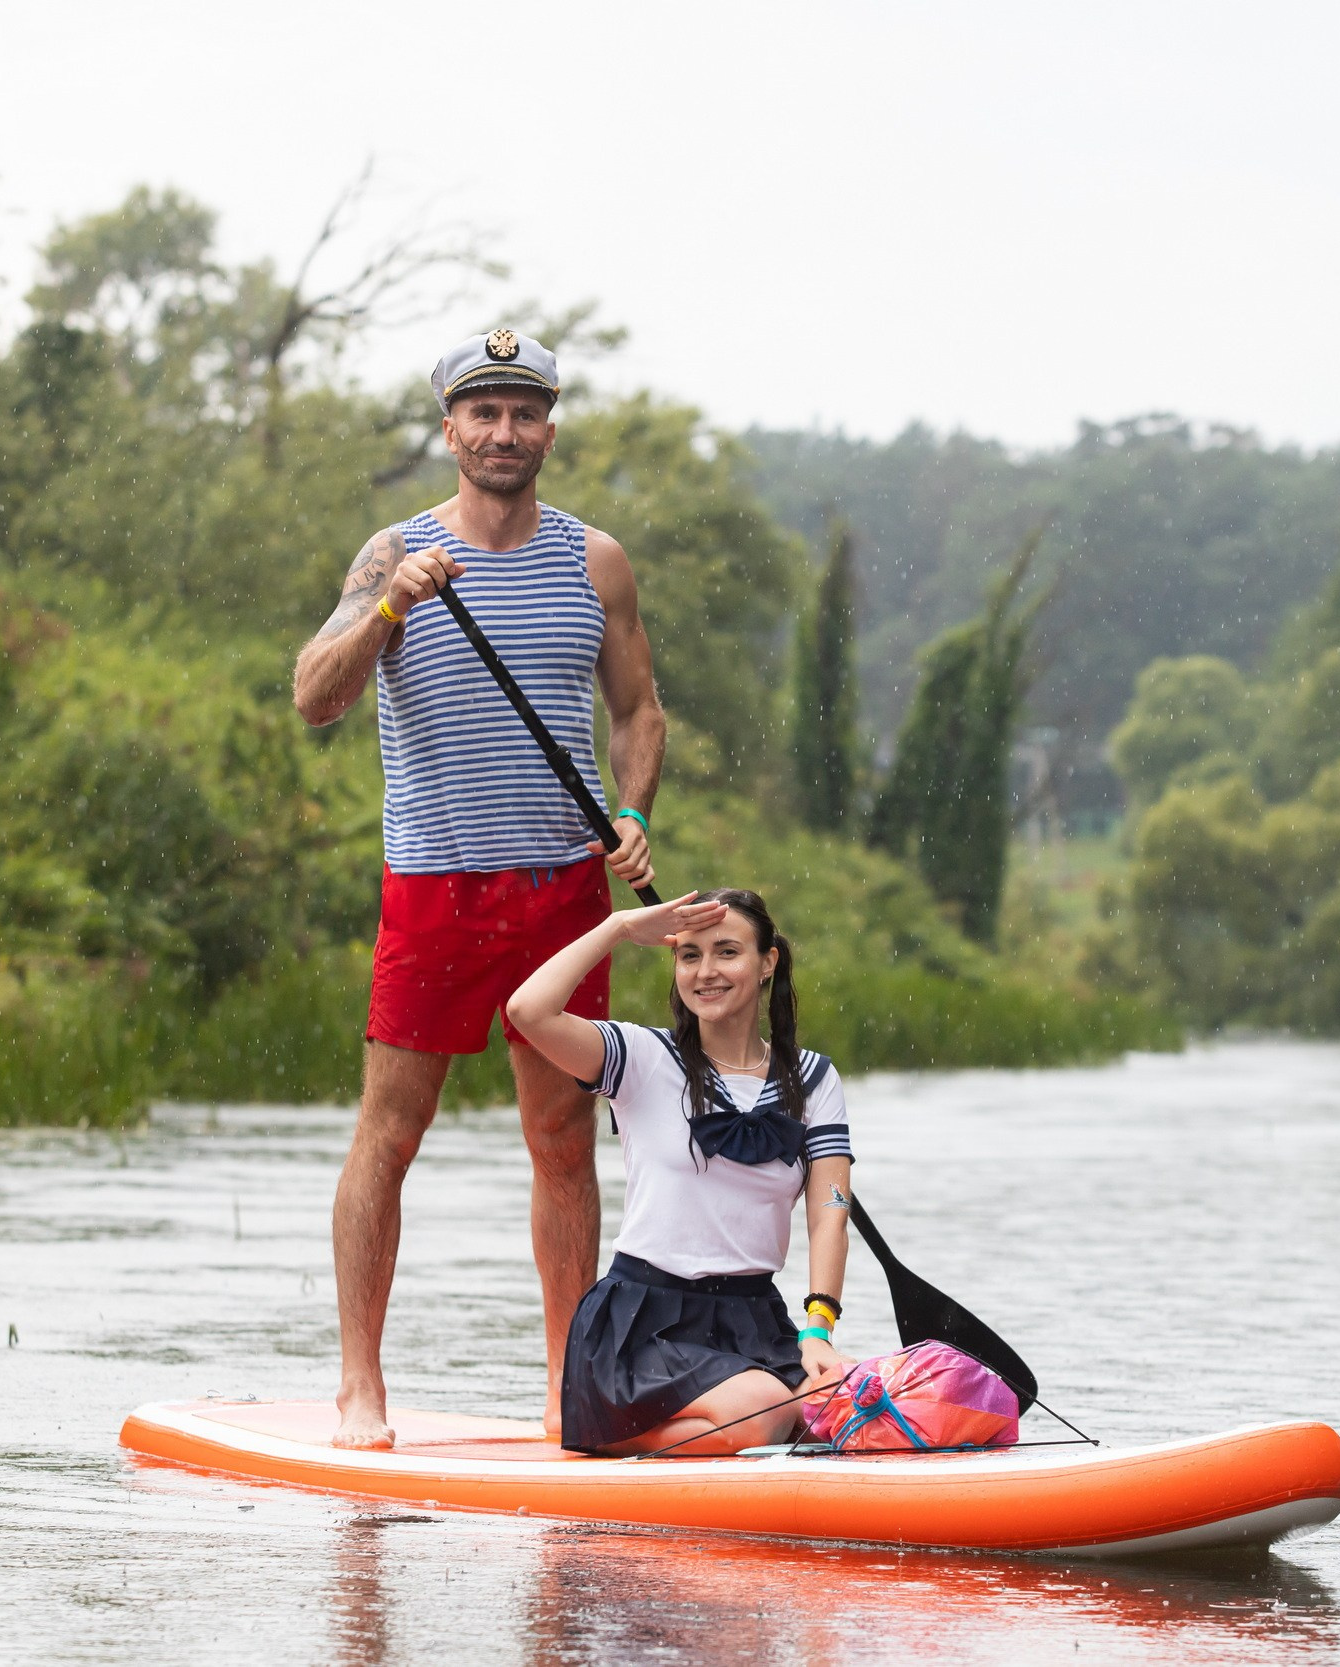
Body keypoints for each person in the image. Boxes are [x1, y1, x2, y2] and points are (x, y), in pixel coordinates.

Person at [291, 329, 666, 1449]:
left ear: (550, 428)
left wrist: (634, 814)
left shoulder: (596, 560)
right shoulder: (391, 552)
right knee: (390, 1132)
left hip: (563, 892)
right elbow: (314, 697)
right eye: (484, 413)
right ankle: (361, 1385)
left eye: (525, 412)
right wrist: (387, 609)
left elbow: (638, 710)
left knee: (562, 1137)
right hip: (434, 887)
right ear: (450, 429)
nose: (505, 432)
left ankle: (564, 1386)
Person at [506, 887, 855, 1455]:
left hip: (756, 1319)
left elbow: (829, 1215)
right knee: (766, 1409)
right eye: (689, 955)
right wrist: (620, 926)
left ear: (767, 962)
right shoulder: (640, 1057)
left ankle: (759, 1427)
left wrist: (818, 1330)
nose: (706, 972)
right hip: (645, 1324)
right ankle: (597, 1430)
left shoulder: (814, 1079)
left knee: (845, 1399)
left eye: (727, 952)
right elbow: (528, 1011)